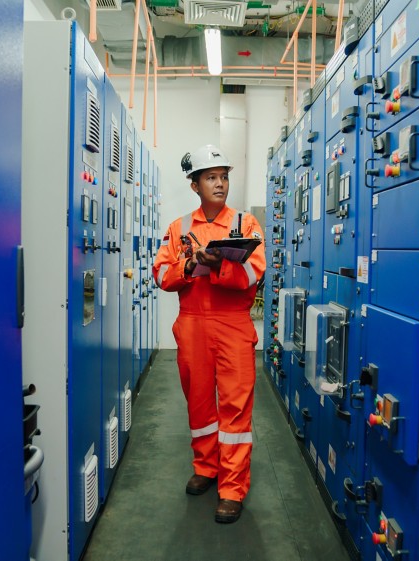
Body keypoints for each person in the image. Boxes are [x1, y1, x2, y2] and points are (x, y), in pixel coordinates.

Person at [152, 144, 266, 524]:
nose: (220, 184)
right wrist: (190, 264)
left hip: (233, 324)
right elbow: (160, 274)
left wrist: (219, 267)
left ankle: (232, 488)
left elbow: (254, 273)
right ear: (195, 185)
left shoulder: (245, 225)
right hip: (193, 325)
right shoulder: (180, 228)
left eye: (224, 177)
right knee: (199, 404)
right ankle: (206, 466)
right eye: (211, 178)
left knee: (235, 408)